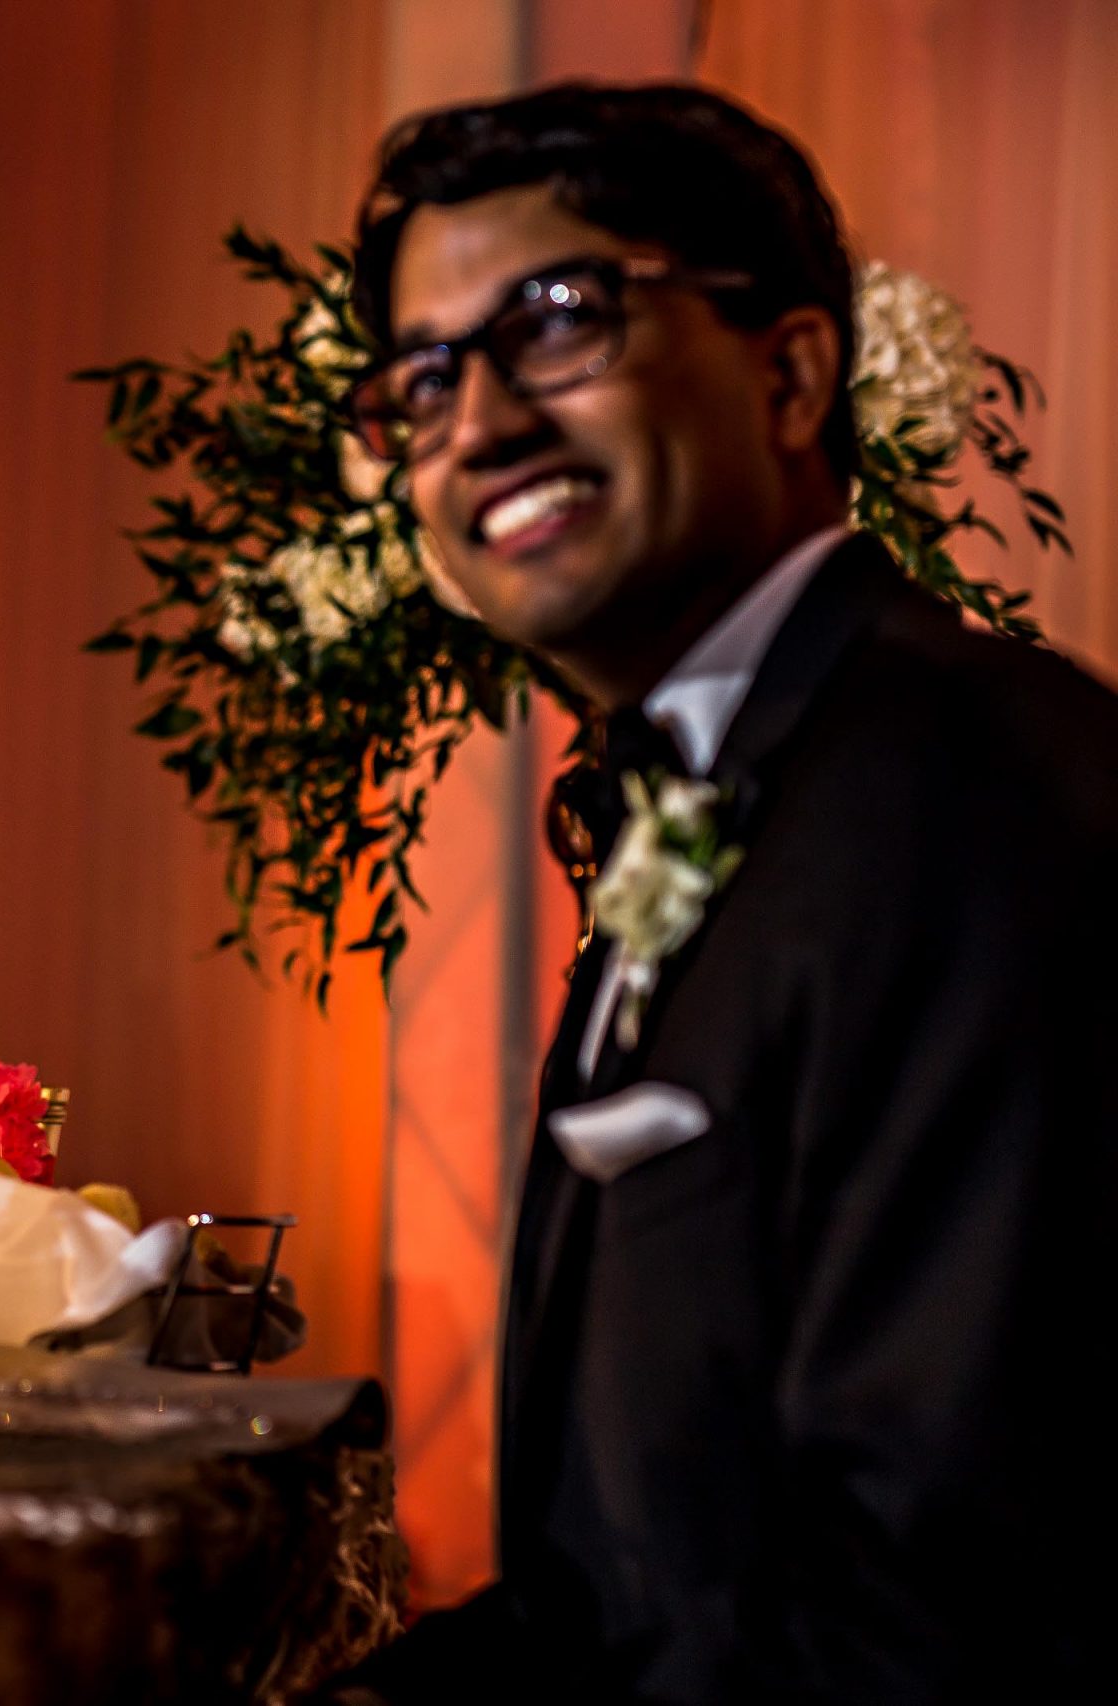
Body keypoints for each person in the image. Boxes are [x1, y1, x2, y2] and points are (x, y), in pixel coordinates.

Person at [323, 85, 1115, 1703]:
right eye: (420, 379)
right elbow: (626, 1576)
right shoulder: (703, 783)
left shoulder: (969, 789)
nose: (473, 424)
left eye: (559, 319)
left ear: (793, 368)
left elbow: (950, 1596)